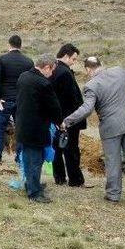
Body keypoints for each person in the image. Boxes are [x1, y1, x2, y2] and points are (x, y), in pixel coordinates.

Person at [61, 56, 125, 205]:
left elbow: (87, 109)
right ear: (101, 64)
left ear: (88, 69)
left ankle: (113, 195)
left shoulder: (91, 86)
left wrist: (67, 121)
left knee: (113, 161)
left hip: (111, 127)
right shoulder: (118, 71)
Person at [15, 53, 62, 203]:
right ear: (47, 67)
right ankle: (34, 193)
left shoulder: (23, 76)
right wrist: (60, 122)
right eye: (52, 70)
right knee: (35, 161)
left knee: (31, 159)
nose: (52, 73)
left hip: (23, 125)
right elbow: (54, 107)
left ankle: (32, 185)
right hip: (37, 129)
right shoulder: (43, 83)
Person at [0, 35, 34, 164]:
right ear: (21, 45)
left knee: (0, 128)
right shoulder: (29, 62)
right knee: (20, 130)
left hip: (4, 101)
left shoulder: (2, 60)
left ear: (9, 45)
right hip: (22, 101)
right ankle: (19, 159)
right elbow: (31, 82)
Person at [51, 44, 89, 187]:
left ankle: (59, 178)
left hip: (57, 117)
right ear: (66, 56)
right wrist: (74, 118)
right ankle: (76, 180)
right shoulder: (64, 72)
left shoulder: (53, 68)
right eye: (73, 59)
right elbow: (71, 99)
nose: (74, 62)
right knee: (71, 149)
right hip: (68, 118)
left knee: (57, 148)